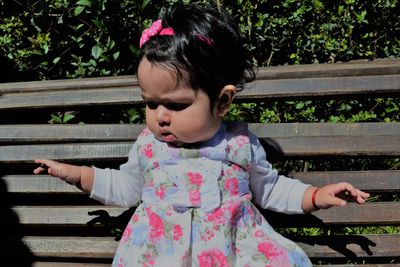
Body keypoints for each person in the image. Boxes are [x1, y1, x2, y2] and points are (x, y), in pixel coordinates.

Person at [33, 3, 370, 267]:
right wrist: (77, 175)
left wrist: (315, 196)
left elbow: (269, 188)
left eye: (177, 105)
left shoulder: (238, 145)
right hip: (160, 254)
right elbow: (125, 187)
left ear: (222, 101)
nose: (161, 117)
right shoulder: (149, 148)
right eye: (151, 103)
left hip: (232, 250)